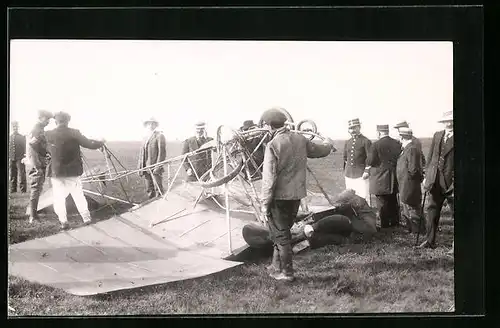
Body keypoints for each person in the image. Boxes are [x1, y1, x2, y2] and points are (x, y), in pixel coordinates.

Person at [260, 108, 335, 281]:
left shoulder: (273, 145)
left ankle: (287, 273)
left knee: (281, 235)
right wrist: (329, 144)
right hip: (296, 196)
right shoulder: (300, 139)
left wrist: (265, 204)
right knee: (283, 230)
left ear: (269, 126)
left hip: (279, 198)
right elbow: (319, 151)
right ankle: (275, 266)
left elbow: (268, 179)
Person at [45, 111, 105, 230]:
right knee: (78, 195)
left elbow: (38, 146)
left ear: (56, 121)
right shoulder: (74, 133)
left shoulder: (48, 134)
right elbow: (89, 144)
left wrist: (49, 153)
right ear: (68, 121)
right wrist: (101, 142)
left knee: (58, 197)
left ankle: (63, 221)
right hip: (73, 171)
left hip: (56, 171)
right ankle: (86, 218)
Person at [418, 111, 454, 252]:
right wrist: (428, 175)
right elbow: (431, 156)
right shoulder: (438, 135)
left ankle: (456, 245)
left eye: (451, 120)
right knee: (432, 210)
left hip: (451, 181)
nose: (449, 123)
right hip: (435, 180)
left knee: (456, 213)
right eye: (446, 121)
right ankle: (429, 240)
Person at [367, 124, 402, 229]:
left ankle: (385, 225)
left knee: (382, 202)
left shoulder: (375, 145)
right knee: (393, 199)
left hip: (380, 176)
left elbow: (370, 161)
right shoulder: (397, 143)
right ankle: (395, 223)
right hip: (394, 175)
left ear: (378, 133)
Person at [24, 110, 53, 223]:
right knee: (36, 187)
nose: (48, 122)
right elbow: (33, 143)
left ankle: (34, 214)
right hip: (36, 162)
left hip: (38, 161)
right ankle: (33, 216)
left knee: (37, 187)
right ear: (41, 117)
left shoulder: (39, 128)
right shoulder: (37, 128)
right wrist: (44, 153)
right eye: (47, 119)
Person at [396, 127, 425, 233]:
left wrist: (410, 180)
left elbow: (413, 169)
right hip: (406, 182)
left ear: (402, 137)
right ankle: (412, 229)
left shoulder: (411, 149)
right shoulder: (407, 148)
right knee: (407, 206)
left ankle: (418, 231)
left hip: (409, 183)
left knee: (412, 207)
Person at [343, 118, 372, 203]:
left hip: (361, 176)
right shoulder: (347, 142)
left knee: (363, 197)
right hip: (349, 175)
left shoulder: (366, 141)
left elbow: (370, 158)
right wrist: (346, 172)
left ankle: (367, 215)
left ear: (359, 127)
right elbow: (345, 158)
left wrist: (366, 171)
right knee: (350, 198)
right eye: (351, 128)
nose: (352, 130)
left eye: (355, 128)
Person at [138, 117, 167, 199]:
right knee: (149, 189)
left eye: (152, 123)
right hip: (146, 167)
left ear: (155, 125)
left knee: (158, 189)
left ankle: (160, 207)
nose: (150, 125)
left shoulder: (159, 136)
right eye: (149, 123)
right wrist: (141, 168)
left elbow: (162, 153)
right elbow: (142, 153)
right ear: (146, 125)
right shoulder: (144, 137)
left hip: (155, 168)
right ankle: (151, 206)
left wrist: (157, 167)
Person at [9, 121, 27, 193]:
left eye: (16, 127)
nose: (15, 128)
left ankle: (23, 190)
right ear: (12, 128)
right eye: (13, 127)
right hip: (11, 158)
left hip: (20, 158)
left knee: (21, 174)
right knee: (12, 174)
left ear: (18, 127)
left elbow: (25, 148)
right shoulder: (10, 137)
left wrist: (24, 157)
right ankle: (13, 189)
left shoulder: (22, 137)